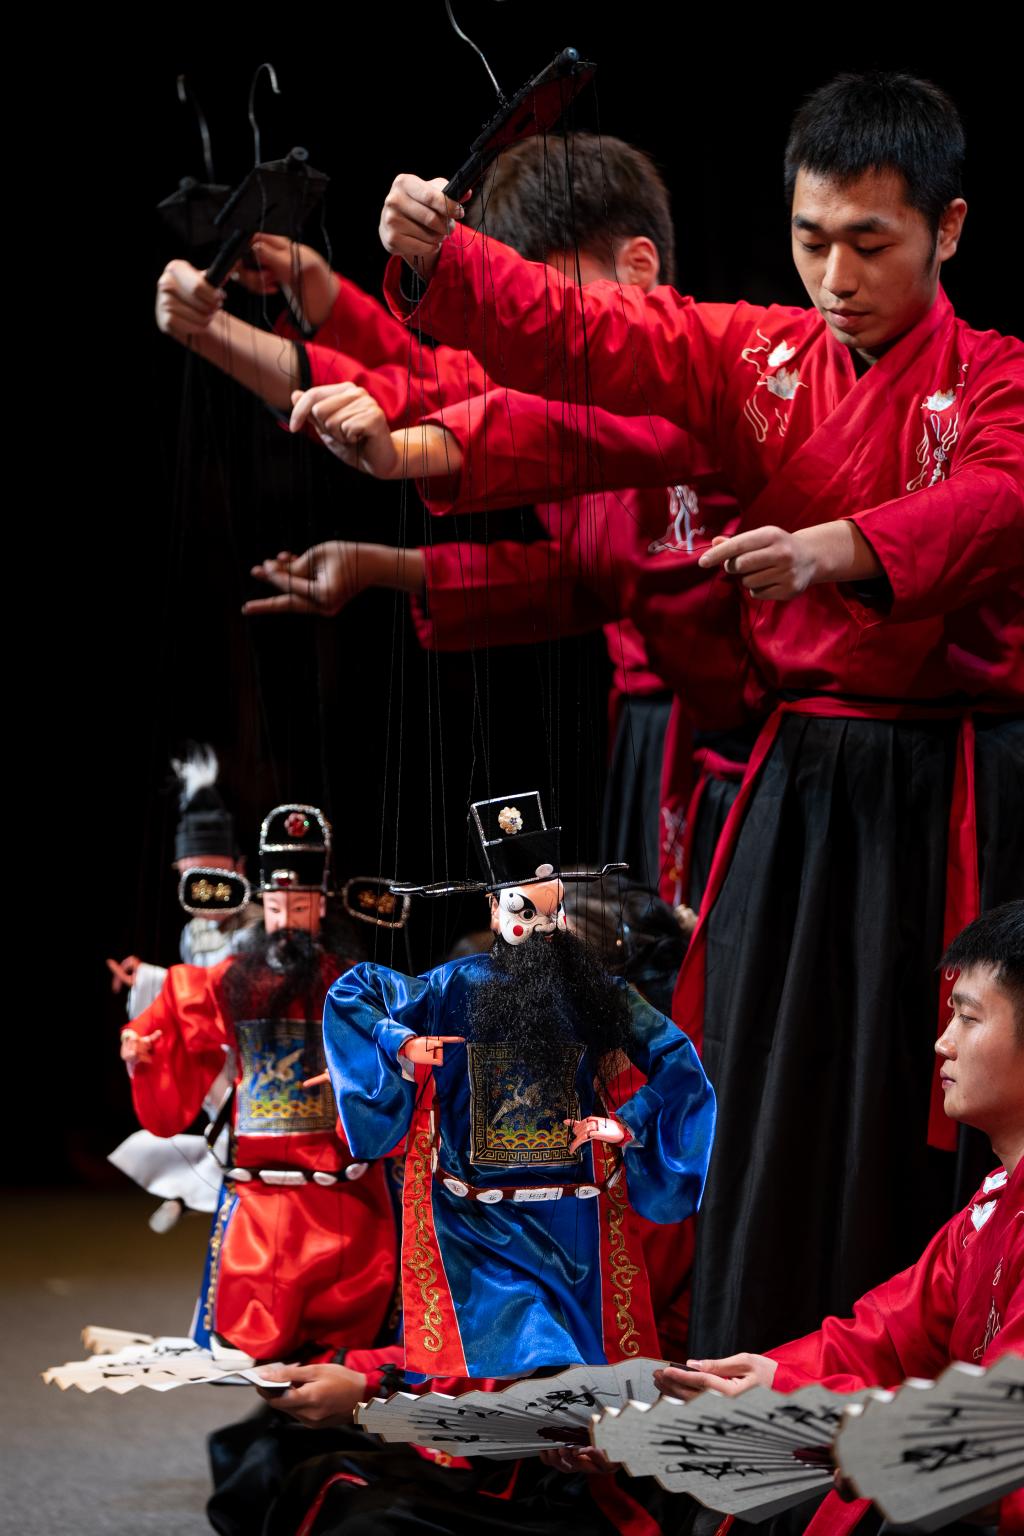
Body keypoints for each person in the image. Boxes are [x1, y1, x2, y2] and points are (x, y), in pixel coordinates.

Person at [376, 71, 1024, 1354]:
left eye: (870, 243)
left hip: (955, 787)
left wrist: (838, 545)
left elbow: (997, 499)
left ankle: (951, 1384)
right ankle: (767, 1374)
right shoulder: (753, 358)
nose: (834, 276)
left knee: (944, 1083)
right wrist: (447, 259)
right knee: (779, 1088)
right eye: (809, 240)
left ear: (947, 229)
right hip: (802, 790)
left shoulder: (996, 377)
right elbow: (592, 338)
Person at [654, 901, 1024, 1534]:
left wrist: (799, 1406)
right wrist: (769, 1380)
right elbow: (885, 1336)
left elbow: (999, 1441)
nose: (942, 1042)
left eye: (967, 1018)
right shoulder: (994, 1204)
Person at [324, 790, 716, 1379]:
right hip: (479, 1225)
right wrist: (399, 1042)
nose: (541, 928)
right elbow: (355, 993)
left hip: (575, 1222)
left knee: (575, 1373)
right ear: (493, 911)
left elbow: (679, 1061)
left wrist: (628, 1121)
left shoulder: (597, 994)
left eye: (553, 913)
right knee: (506, 1363)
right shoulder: (453, 987)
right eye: (524, 912)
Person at [121, 803, 397, 1362]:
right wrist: (142, 1041)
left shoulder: (354, 983)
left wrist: (360, 1071)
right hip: (260, 1184)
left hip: (339, 1184)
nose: (286, 921)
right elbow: (179, 1004)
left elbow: (395, 1039)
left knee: (346, 1325)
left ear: (322, 906)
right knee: (253, 1330)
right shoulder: (236, 978)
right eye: (274, 908)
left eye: (300, 907)